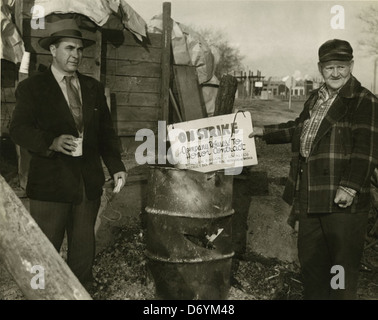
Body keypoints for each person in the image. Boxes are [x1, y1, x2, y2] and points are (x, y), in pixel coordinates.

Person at [250, 39, 378, 299]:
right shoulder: (315, 99)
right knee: (311, 265)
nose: (336, 73)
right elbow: (298, 128)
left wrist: (350, 187)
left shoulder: (363, 100)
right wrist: (263, 132)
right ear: (321, 68)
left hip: (343, 201)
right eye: (330, 67)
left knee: (340, 269)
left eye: (341, 67)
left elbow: (367, 150)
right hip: (309, 194)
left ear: (351, 66)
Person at [9, 19, 127, 290]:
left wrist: (116, 165)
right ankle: (45, 294)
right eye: (69, 48)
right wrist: (50, 142)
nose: (76, 54)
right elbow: (18, 129)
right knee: (46, 249)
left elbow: (106, 133)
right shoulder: (33, 88)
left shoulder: (93, 88)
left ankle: (80, 291)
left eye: (80, 49)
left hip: (87, 182)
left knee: (84, 247)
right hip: (50, 185)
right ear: (53, 50)